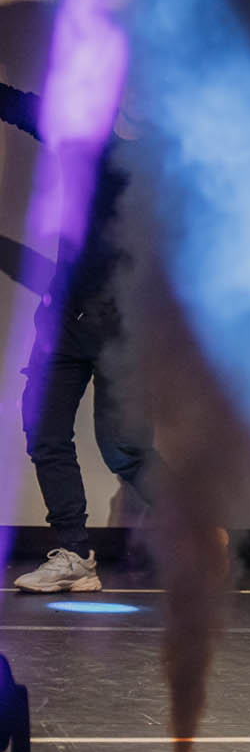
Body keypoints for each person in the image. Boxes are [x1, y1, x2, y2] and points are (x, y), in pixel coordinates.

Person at [3, 79, 160, 593]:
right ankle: (74, 554)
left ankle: (197, 529)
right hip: (64, 318)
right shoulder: (85, 140)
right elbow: (21, 107)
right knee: (45, 433)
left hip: (125, 326)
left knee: (123, 449)